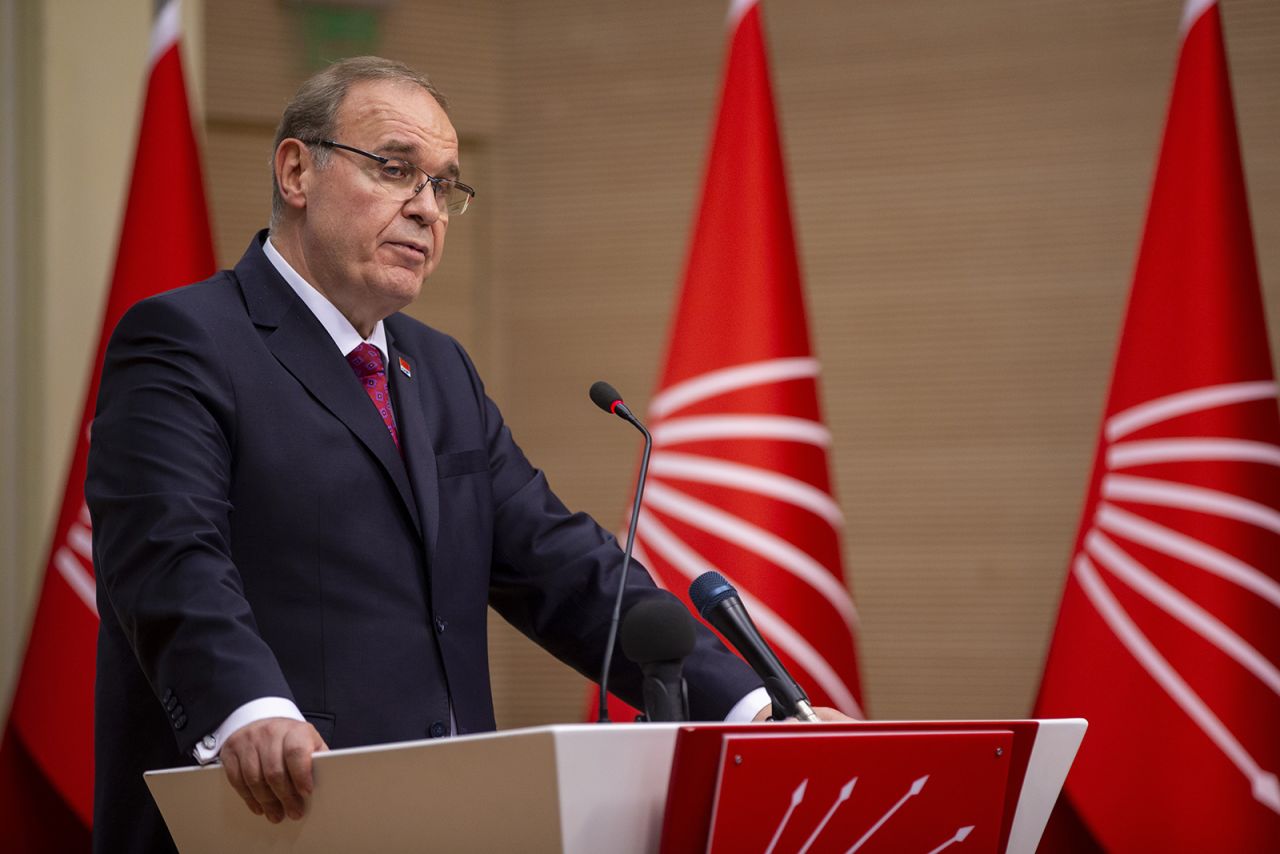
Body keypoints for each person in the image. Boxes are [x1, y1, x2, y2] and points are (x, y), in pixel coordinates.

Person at [87, 56, 851, 852]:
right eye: (394, 169)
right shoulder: (186, 340)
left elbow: (561, 566)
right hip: (270, 815)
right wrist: (251, 707)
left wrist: (752, 711)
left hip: (443, 821)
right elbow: (168, 553)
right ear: (295, 171)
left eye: (444, 186)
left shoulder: (437, 368)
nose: (426, 210)